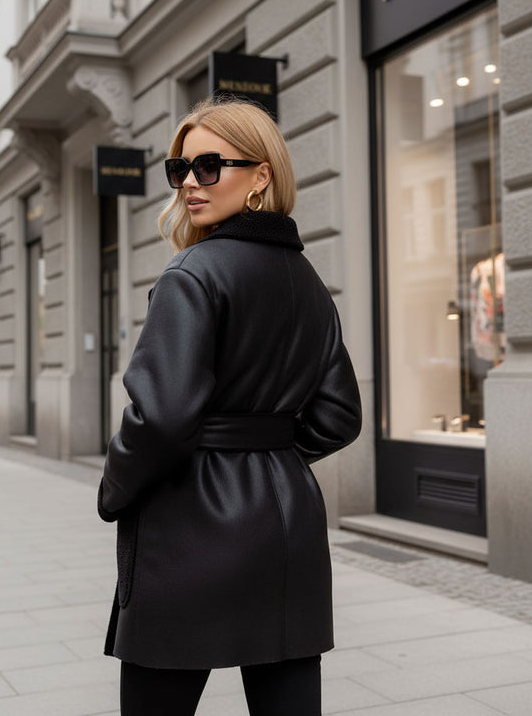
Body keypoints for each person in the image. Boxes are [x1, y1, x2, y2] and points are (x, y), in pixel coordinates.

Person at [98, 98, 362, 716]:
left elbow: (161, 416)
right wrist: (265, 450)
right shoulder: (308, 283)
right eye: (181, 169)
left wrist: (115, 488)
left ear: (262, 175)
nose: (190, 182)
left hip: (189, 526)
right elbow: (339, 416)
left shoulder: (191, 274)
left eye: (210, 166)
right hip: (288, 523)